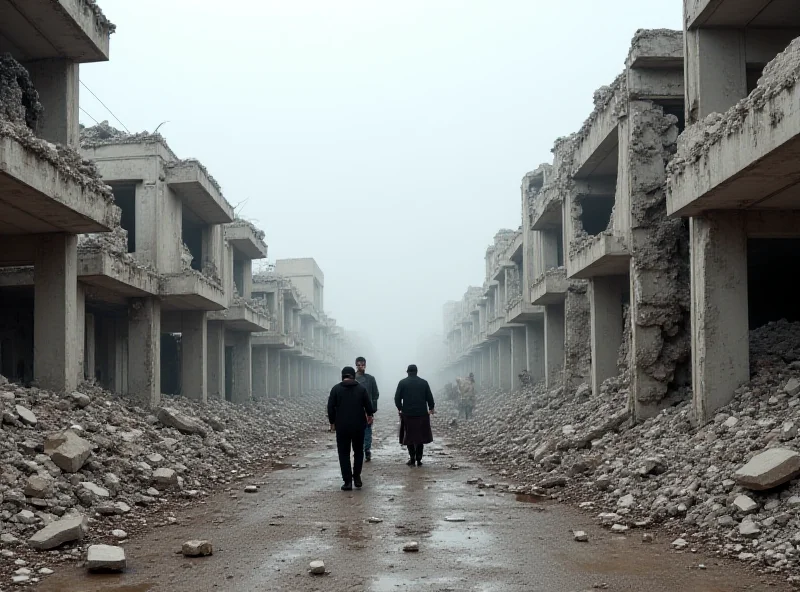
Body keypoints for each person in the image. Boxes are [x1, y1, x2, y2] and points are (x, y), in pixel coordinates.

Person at [327, 366, 374, 490]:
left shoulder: (336, 389)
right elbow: (368, 405)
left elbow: (330, 407)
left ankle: (347, 482)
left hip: (342, 427)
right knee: (358, 452)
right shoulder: (361, 389)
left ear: (342, 376)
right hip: (359, 426)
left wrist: (332, 422)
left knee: (343, 453)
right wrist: (370, 415)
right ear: (353, 375)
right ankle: (357, 478)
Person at [394, 364, 435, 467]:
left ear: (407, 372)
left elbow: (397, 398)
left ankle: (412, 458)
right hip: (422, 414)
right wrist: (431, 407)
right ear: (417, 372)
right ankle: (419, 459)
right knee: (420, 437)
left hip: (407, 414)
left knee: (409, 436)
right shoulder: (424, 383)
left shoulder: (402, 383)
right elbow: (429, 397)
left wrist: (400, 408)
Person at [355, 356, 380, 462]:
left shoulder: (370, 379)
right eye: (359, 364)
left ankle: (367, 450)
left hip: (367, 410)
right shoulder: (352, 378)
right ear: (356, 365)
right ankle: (358, 450)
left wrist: (373, 407)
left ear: (365, 365)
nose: (361, 366)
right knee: (355, 431)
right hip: (354, 410)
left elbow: (375, 394)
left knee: (367, 431)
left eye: (363, 364)